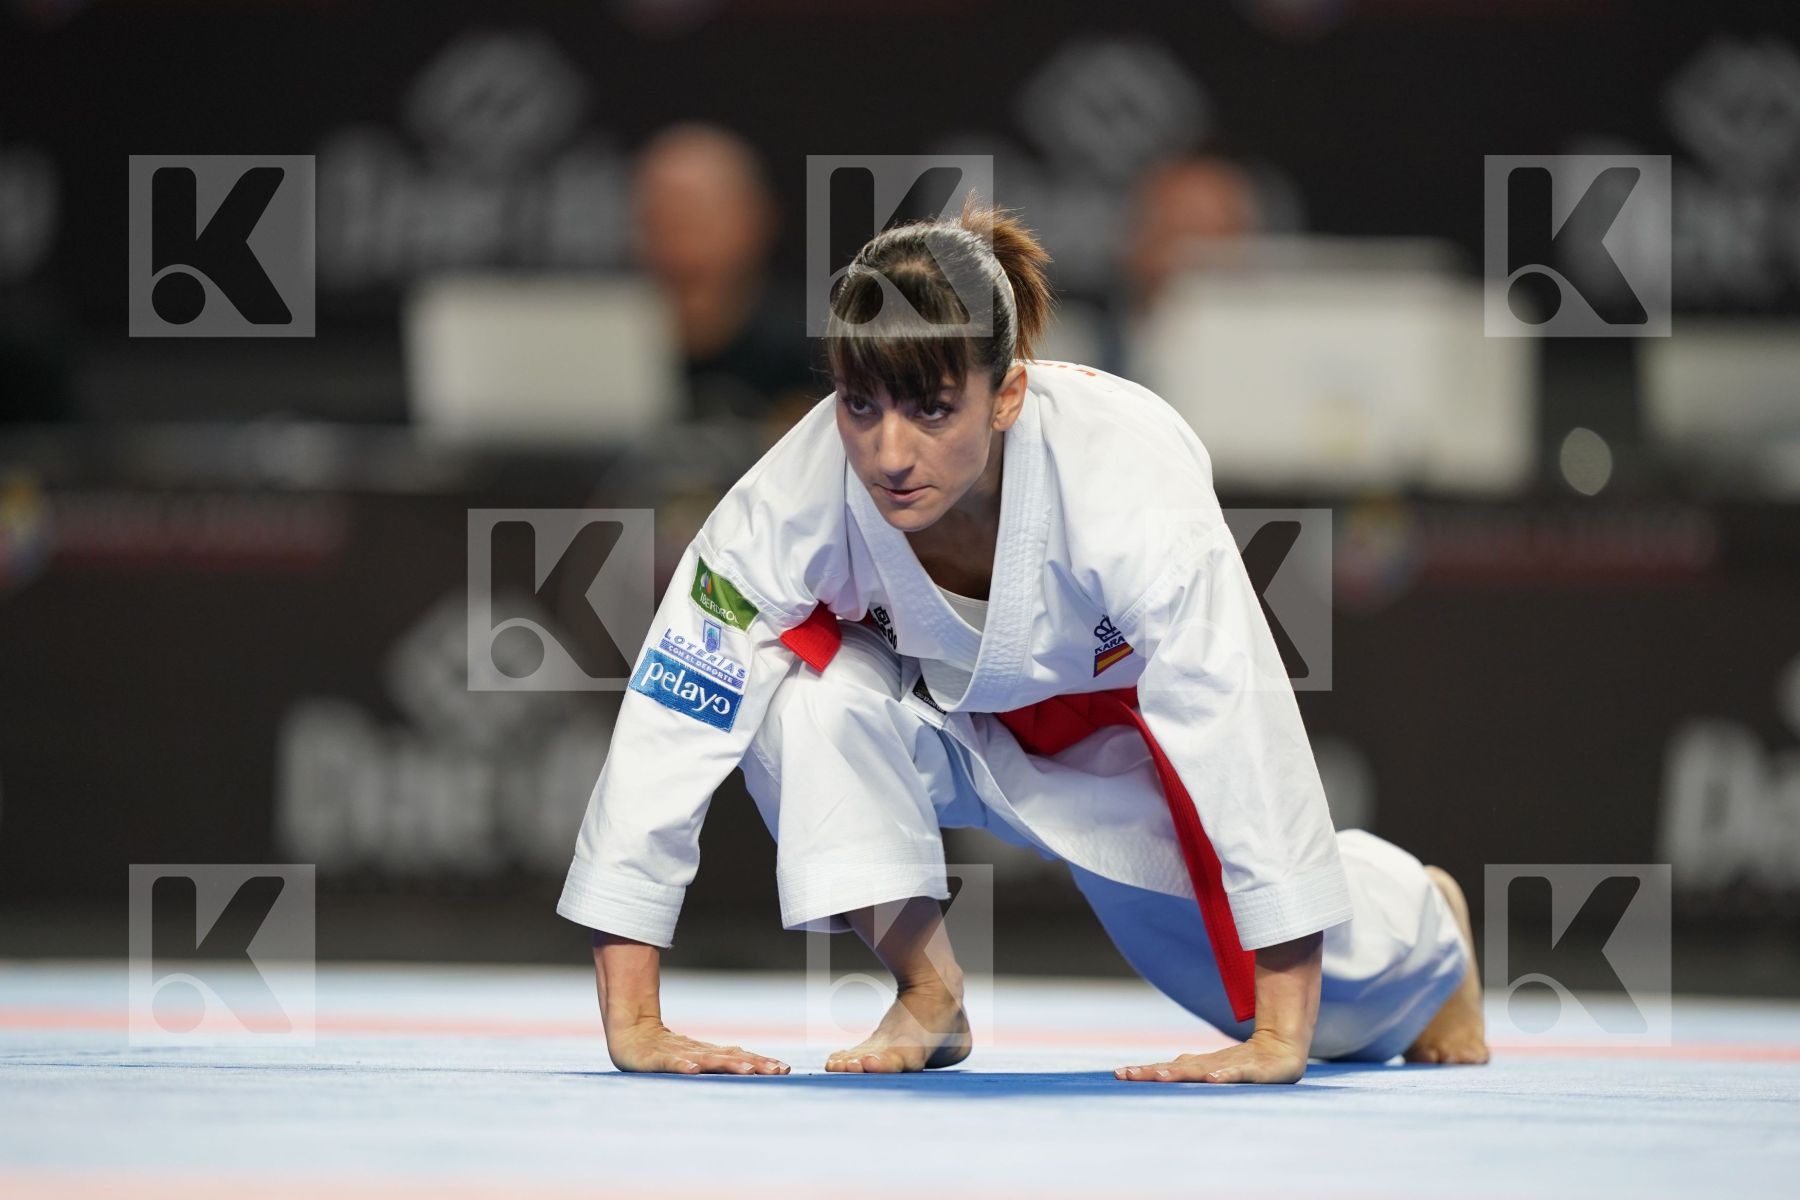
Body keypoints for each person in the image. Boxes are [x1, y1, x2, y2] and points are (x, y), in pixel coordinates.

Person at [557, 196, 1490, 1082]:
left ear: (1006, 395)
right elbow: (677, 714)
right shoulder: (792, 495)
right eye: (859, 404)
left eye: (931, 409)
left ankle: (1426, 921)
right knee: (802, 701)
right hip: (941, 718)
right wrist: (634, 1017)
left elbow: (1237, 720)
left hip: (1119, 736)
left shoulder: (1125, 474)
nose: (888, 453)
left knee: (1304, 1009)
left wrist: (1280, 1032)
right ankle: (927, 991)